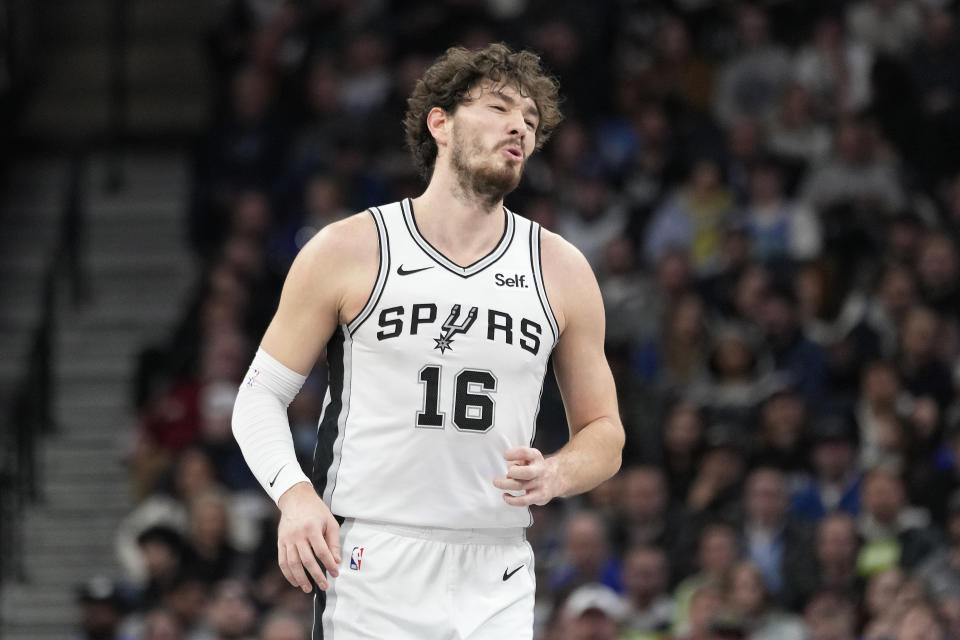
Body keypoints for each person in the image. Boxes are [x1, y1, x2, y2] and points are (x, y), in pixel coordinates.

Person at [231, 42, 625, 639]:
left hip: (496, 561)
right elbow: (258, 397)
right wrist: (294, 496)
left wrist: (557, 473)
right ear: (439, 122)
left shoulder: (561, 268)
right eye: (498, 107)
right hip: (373, 553)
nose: (518, 125)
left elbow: (606, 433)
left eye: (531, 120)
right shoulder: (349, 248)